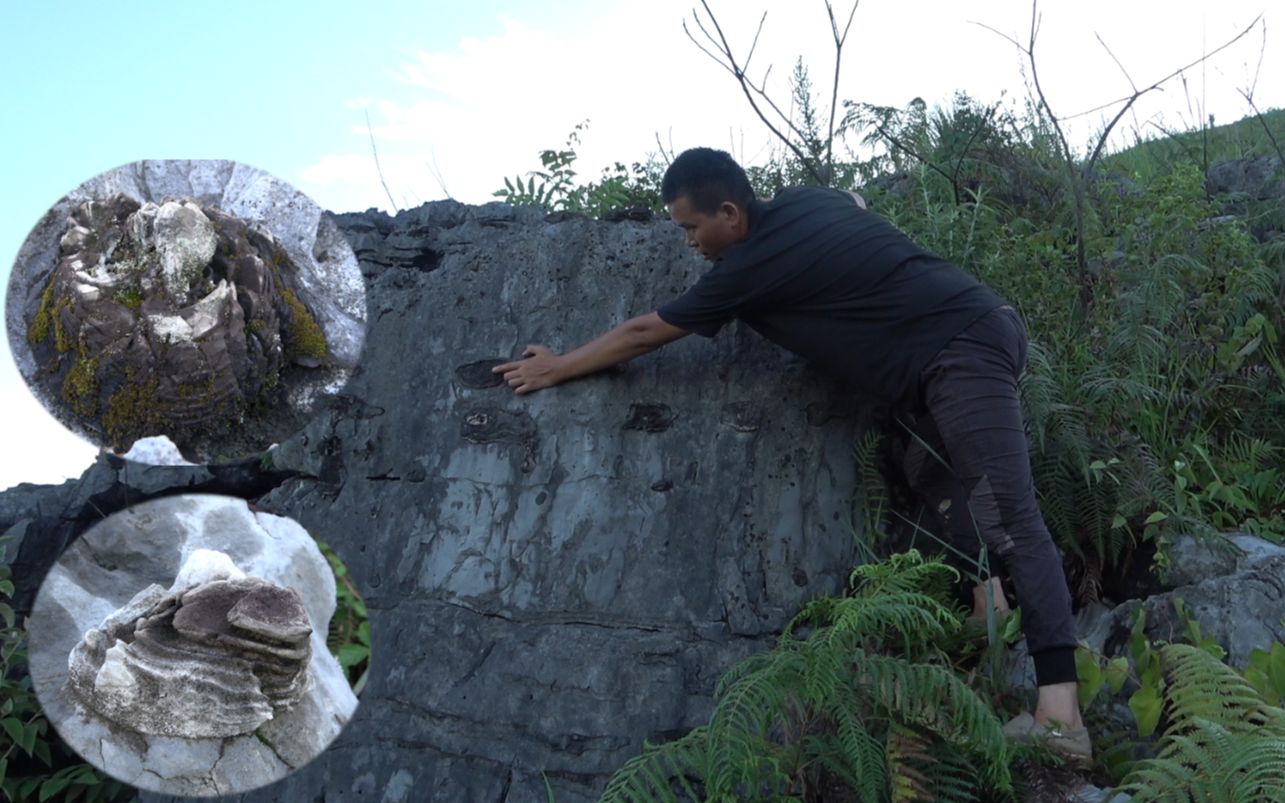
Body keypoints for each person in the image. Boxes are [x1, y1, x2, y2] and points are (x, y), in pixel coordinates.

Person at [492, 147, 1091, 764]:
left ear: (729, 212)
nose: (691, 243)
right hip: (947, 353)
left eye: (693, 228)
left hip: (961, 348)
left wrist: (560, 366)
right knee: (930, 471)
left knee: (1010, 517)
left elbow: (647, 332)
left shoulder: (746, 266)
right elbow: (855, 203)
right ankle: (985, 607)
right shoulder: (808, 200)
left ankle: (1060, 716)